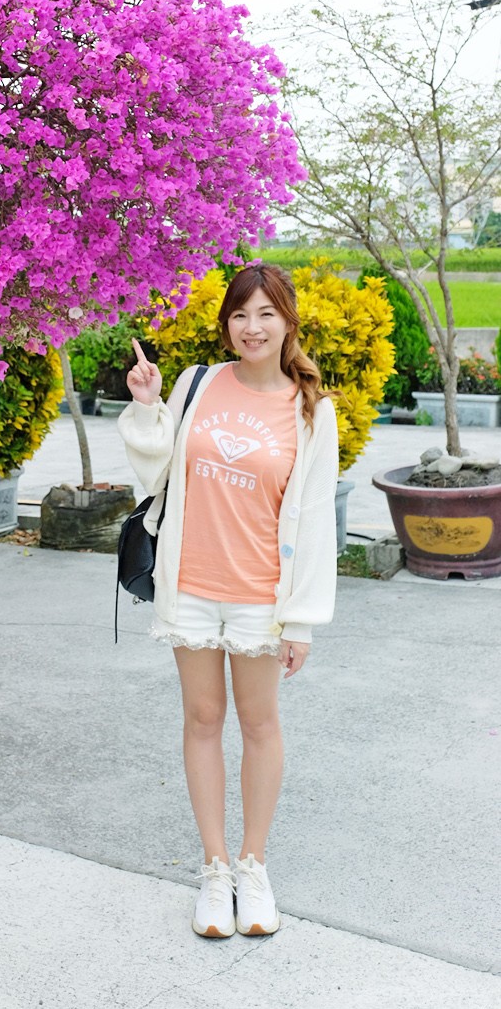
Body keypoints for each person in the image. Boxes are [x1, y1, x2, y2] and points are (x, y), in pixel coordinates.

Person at [119, 263, 338, 939]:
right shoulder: (198, 384)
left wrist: (301, 617)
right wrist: (150, 404)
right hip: (190, 585)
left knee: (261, 723)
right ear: (227, 325)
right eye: (240, 315)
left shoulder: (311, 410)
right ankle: (215, 872)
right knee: (203, 719)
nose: (252, 327)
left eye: (265, 314)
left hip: (259, 596)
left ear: (287, 321)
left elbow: (316, 519)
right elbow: (157, 472)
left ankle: (254, 866)